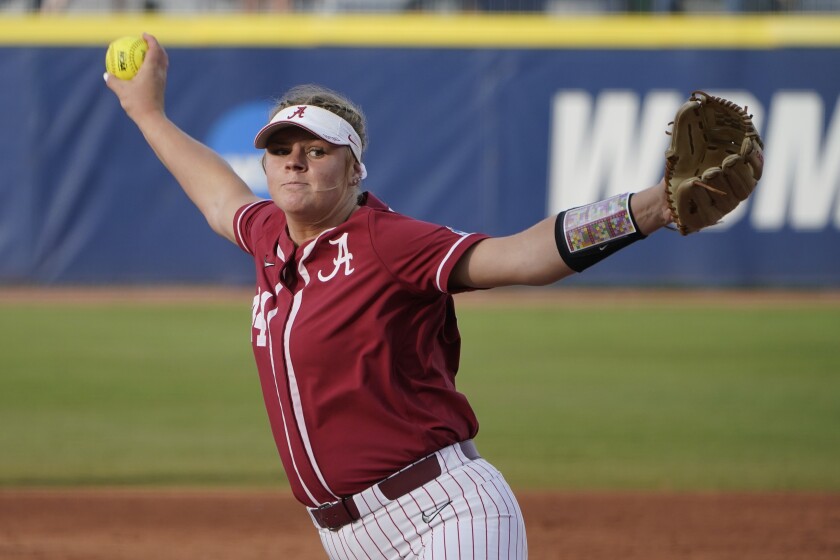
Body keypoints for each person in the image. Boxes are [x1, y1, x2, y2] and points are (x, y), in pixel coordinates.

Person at [105, 33, 676, 560]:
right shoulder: (269, 239)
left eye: (318, 149)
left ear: (354, 168)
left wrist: (652, 208)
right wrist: (146, 111)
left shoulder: (384, 241)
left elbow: (523, 257)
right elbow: (217, 197)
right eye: (282, 149)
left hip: (445, 514)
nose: (295, 160)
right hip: (348, 540)